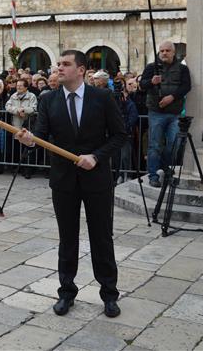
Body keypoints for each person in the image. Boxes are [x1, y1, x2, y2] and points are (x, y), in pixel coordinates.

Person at [16, 50, 126, 319]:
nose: (59, 68)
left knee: (101, 236)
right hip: (63, 179)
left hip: (96, 179)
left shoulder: (102, 97)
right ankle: (66, 292)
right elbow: (41, 136)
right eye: (58, 64)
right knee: (67, 237)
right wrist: (29, 140)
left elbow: (120, 135)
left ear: (81, 70)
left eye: (66, 64)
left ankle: (109, 294)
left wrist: (96, 157)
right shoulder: (48, 100)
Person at [139, 40, 191, 187]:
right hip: (156, 112)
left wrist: (171, 98)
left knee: (173, 145)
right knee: (154, 145)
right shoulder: (151, 68)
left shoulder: (182, 69)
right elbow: (142, 85)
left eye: (167, 51)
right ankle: (153, 175)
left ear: (174, 53)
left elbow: (186, 86)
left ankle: (167, 170)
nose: (164, 53)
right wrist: (151, 82)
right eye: (162, 51)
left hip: (174, 113)